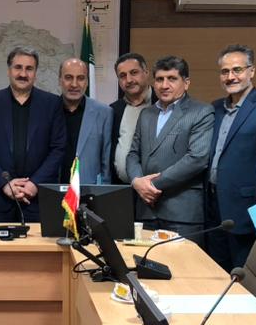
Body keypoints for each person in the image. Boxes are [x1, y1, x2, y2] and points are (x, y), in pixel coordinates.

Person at [205, 45, 256, 271]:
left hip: (245, 210)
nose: (231, 77)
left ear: (252, 71)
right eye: (225, 71)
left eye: (237, 70)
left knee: (243, 275)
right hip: (213, 206)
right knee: (216, 272)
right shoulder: (215, 108)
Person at [0, 47, 65, 221]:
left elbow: (58, 149)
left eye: (29, 68)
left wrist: (34, 184)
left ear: (35, 73)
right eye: (18, 67)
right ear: (9, 70)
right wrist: (4, 184)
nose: (23, 74)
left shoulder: (52, 104)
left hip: (37, 200)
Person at [125, 56, 213, 236]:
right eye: (159, 79)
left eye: (172, 79)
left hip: (181, 213)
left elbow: (197, 159)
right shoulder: (146, 114)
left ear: (186, 83)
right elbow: (133, 154)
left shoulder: (201, 111)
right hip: (146, 210)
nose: (164, 85)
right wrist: (136, 181)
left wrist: (149, 185)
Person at [58, 57, 111, 184]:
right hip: (52, 188)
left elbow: (106, 162)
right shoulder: (48, 110)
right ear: (60, 80)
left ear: (87, 82)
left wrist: (103, 191)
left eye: (80, 78)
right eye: (68, 77)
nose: (74, 84)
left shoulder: (104, 113)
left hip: (88, 190)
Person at [109, 52, 154, 183]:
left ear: (146, 73)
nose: (128, 80)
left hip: (157, 188)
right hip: (121, 189)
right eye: (122, 76)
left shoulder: (163, 104)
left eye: (134, 73)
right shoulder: (113, 110)